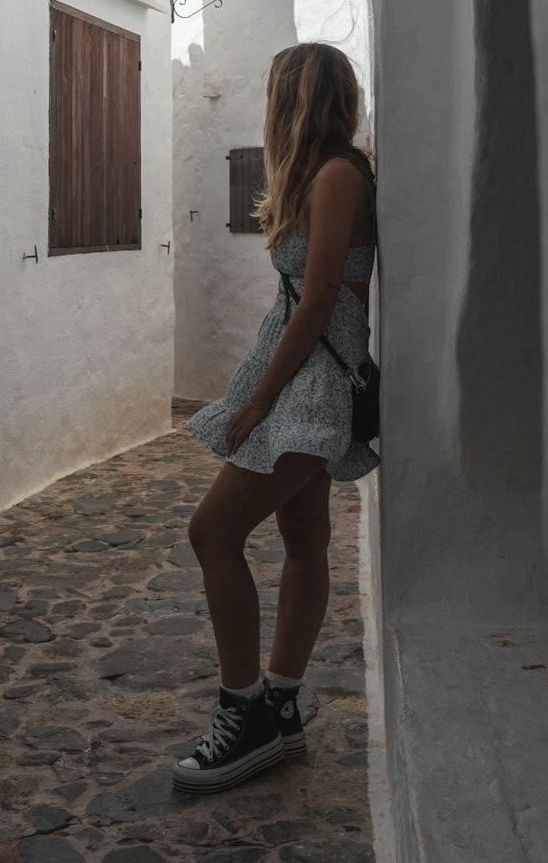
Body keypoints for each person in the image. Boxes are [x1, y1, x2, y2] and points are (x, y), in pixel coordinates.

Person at [173, 41, 378, 795]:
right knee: (303, 536)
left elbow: (322, 296)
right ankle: (283, 707)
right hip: (297, 374)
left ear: (295, 97)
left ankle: (246, 714)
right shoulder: (320, 175)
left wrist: (257, 403)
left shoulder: (335, 176)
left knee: (213, 532)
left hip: (311, 385)